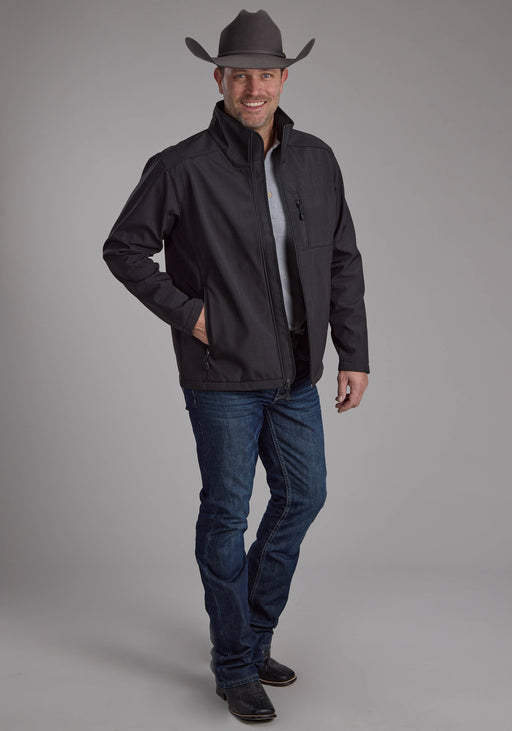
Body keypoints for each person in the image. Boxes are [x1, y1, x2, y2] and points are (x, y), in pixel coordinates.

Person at [103, 9, 369, 723]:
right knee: (226, 514)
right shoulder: (181, 166)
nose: (255, 87)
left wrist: (355, 352)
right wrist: (192, 314)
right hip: (221, 374)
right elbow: (124, 248)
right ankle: (234, 663)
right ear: (219, 79)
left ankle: (249, 636)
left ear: (284, 79)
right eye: (241, 74)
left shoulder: (316, 159)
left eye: (268, 74)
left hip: (296, 371)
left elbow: (342, 259)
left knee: (303, 496)